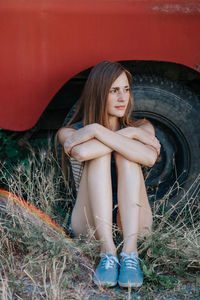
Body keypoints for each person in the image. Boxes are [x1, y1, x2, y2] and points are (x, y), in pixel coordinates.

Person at [57, 61, 160, 288]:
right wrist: (98, 130)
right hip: (89, 224)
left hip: (134, 224)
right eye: (114, 91)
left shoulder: (142, 127)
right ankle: (108, 252)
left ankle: (130, 253)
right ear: (98, 93)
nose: (123, 98)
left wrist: (119, 132)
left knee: (126, 157)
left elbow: (149, 158)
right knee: (102, 155)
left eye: (126, 89)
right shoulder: (71, 131)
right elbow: (83, 152)